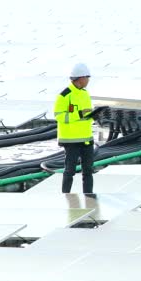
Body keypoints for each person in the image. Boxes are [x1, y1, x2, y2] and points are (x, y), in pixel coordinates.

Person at [54, 63, 95, 194]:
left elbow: (87, 114)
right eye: (87, 77)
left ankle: (89, 196)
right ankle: (65, 196)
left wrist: (95, 115)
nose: (88, 80)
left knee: (88, 171)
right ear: (79, 78)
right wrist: (79, 114)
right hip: (71, 141)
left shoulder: (85, 93)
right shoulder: (64, 95)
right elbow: (59, 116)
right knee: (70, 171)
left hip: (87, 139)